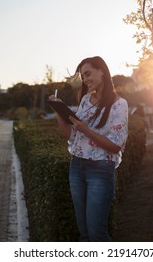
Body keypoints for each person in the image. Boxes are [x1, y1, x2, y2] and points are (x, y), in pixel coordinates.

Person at [49, 56, 128, 241]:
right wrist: (58, 111)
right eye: (83, 76)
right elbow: (71, 136)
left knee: (96, 234)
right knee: (84, 234)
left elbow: (116, 145)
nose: (85, 79)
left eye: (87, 73)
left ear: (101, 70)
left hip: (100, 170)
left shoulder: (119, 104)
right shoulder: (85, 100)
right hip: (76, 167)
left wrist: (86, 130)